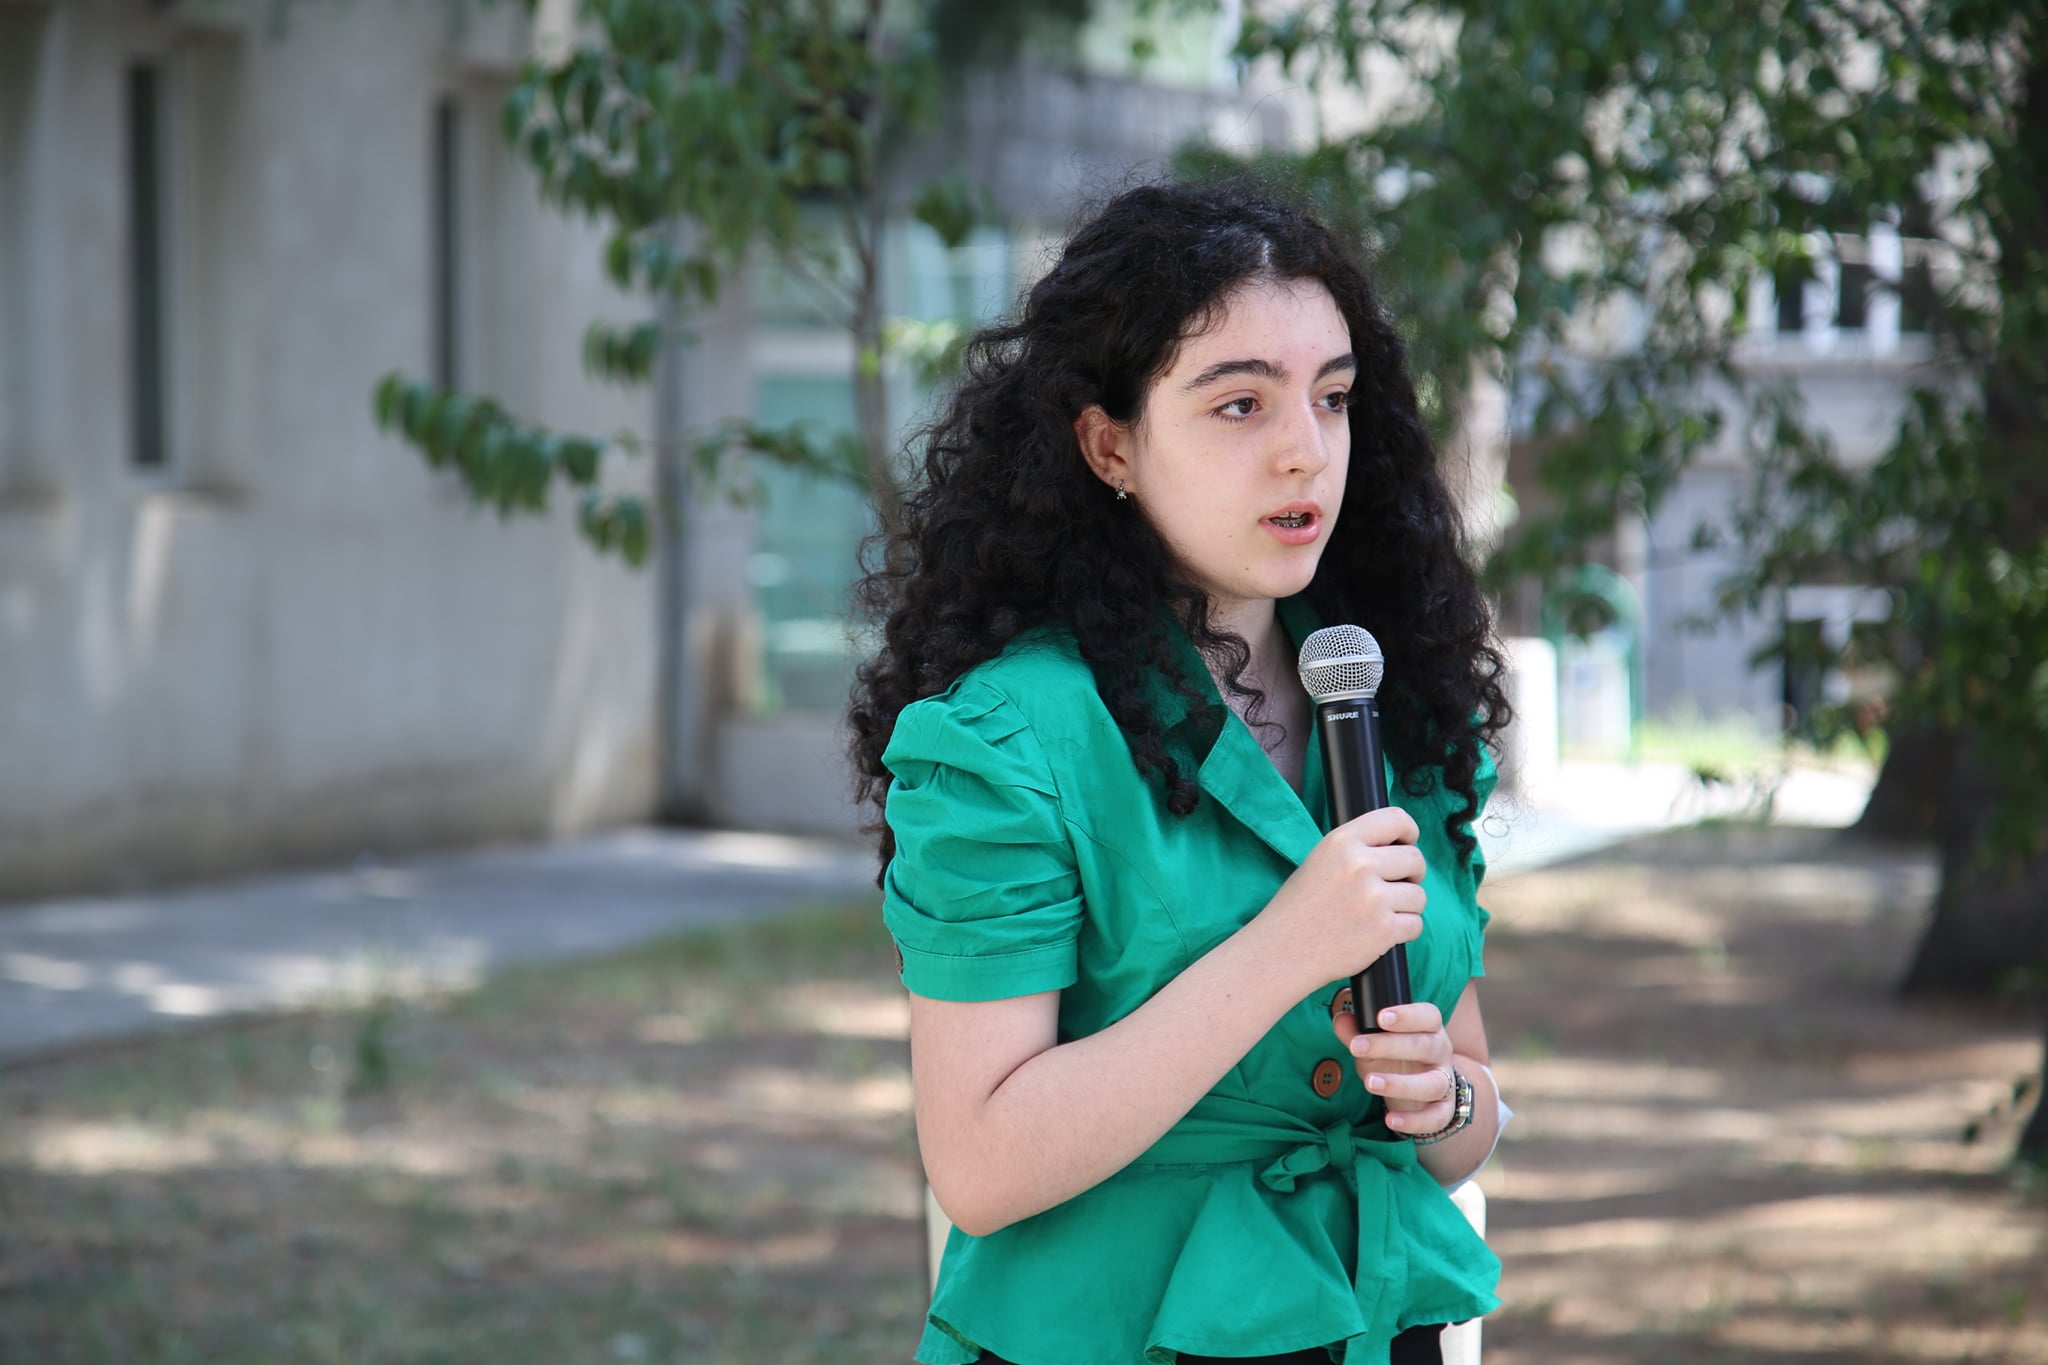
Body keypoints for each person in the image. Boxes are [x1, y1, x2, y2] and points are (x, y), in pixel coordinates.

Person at [848, 180, 1513, 1365]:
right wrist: (1281, 952)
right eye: (1239, 404)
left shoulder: (1388, 702)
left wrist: (1447, 1098)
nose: (1303, 450)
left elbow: (1459, 1114)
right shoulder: (1004, 738)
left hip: (1375, 1325)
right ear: (1108, 444)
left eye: (1330, 397)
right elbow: (979, 1164)